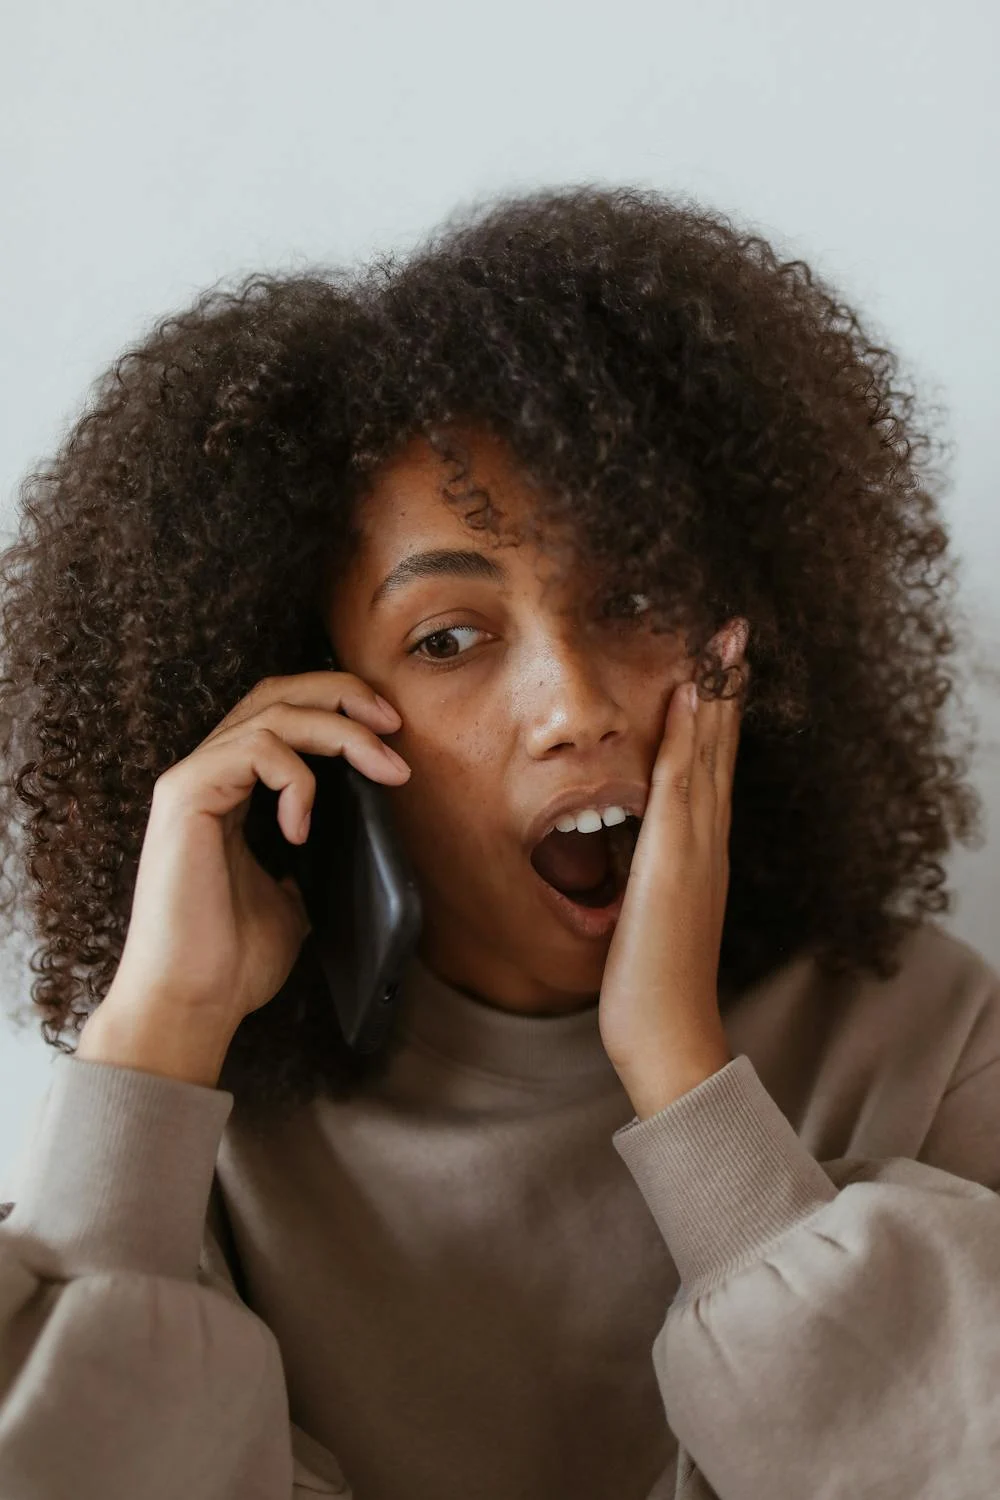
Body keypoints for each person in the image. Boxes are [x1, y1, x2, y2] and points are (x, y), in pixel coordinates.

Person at [0, 184, 997, 1500]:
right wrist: (156, 1035)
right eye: (450, 639)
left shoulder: (927, 1037)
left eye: (633, 596)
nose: (575, 707)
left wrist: (687, 1083)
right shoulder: (205, 1134)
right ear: (314, 708)